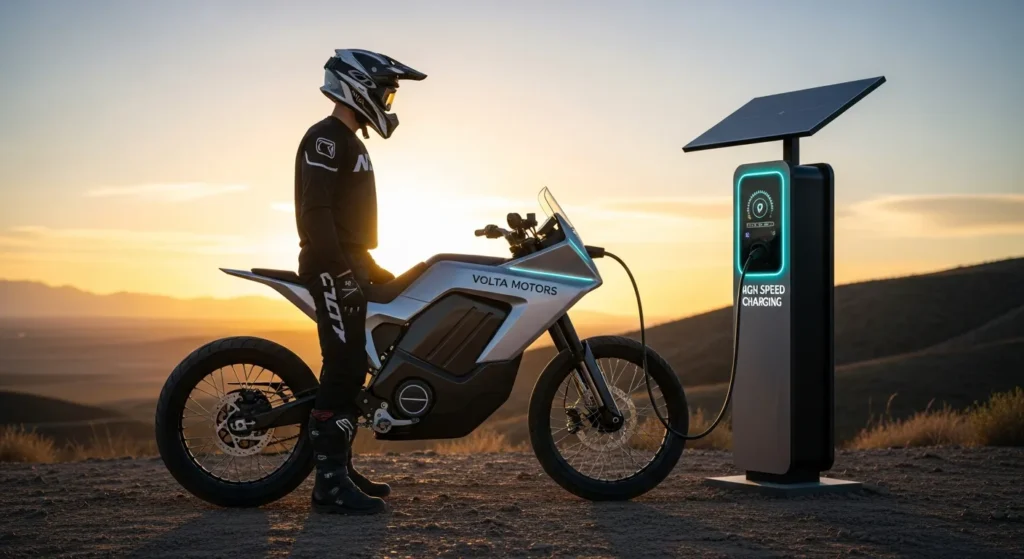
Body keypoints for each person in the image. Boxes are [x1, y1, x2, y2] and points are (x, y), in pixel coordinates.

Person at [294, 49, 426, 515]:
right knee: (344, 364)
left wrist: (363, 268)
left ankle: (341, 466)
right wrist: (341, 272)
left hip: (354, 261)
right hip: (333, 264)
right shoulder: (326, 139)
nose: (388, 101)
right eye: (386, 91)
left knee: (362, 363)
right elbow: (317, 212)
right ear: (359, 85)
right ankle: (327, 485)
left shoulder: (348, 139)